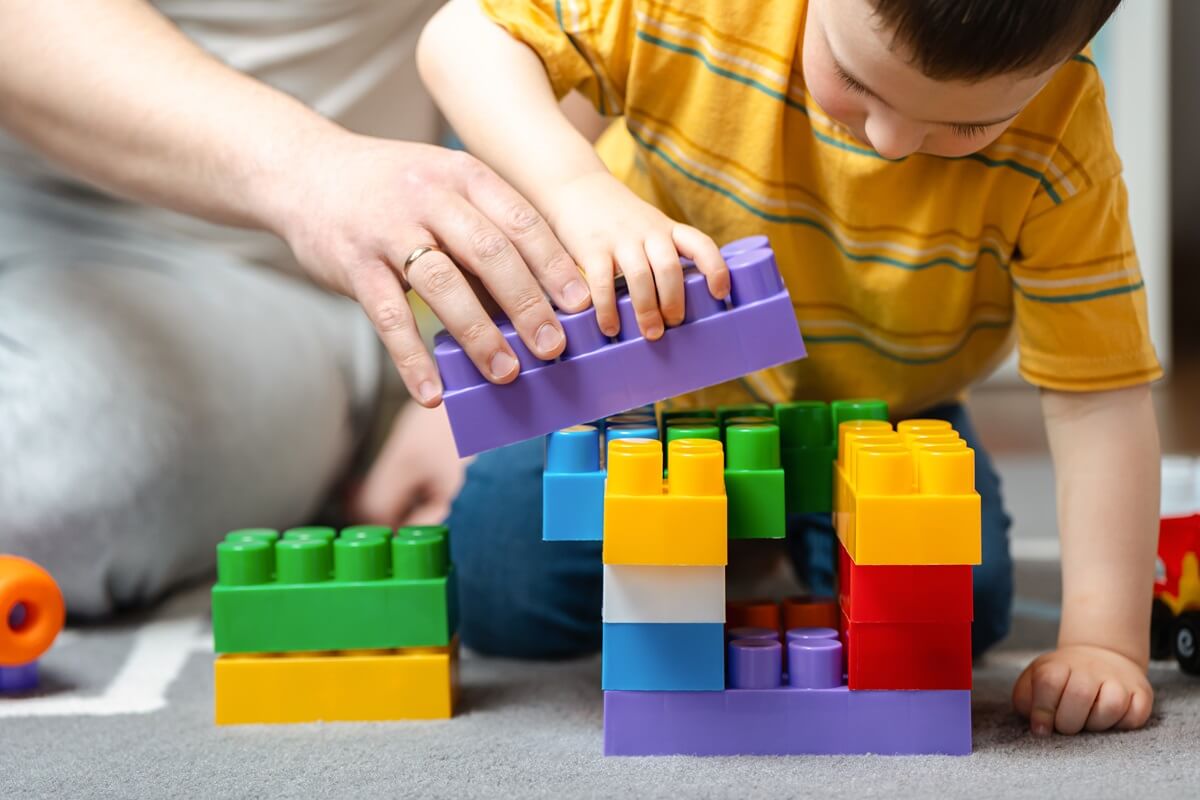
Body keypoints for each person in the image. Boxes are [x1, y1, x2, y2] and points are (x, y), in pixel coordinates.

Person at [418, 0, 1160, 736]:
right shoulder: (692, 13)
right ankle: (742, 543)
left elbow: (1097, 396)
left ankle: (760, 541)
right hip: (646, 402)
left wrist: (1103, 641)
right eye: (855, 81)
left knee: (958, 613)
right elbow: (464, 37)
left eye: (966, 125)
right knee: (500, 591)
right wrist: (578, 192)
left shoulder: (1062, 131)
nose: (892, 140)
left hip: (880, 421)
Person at [0, 2, 609, 616]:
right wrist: (311, 171)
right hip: (43, 211)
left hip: (269, 282)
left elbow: (566, 36)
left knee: (49, 478)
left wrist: (484, 370)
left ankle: (354, 409)